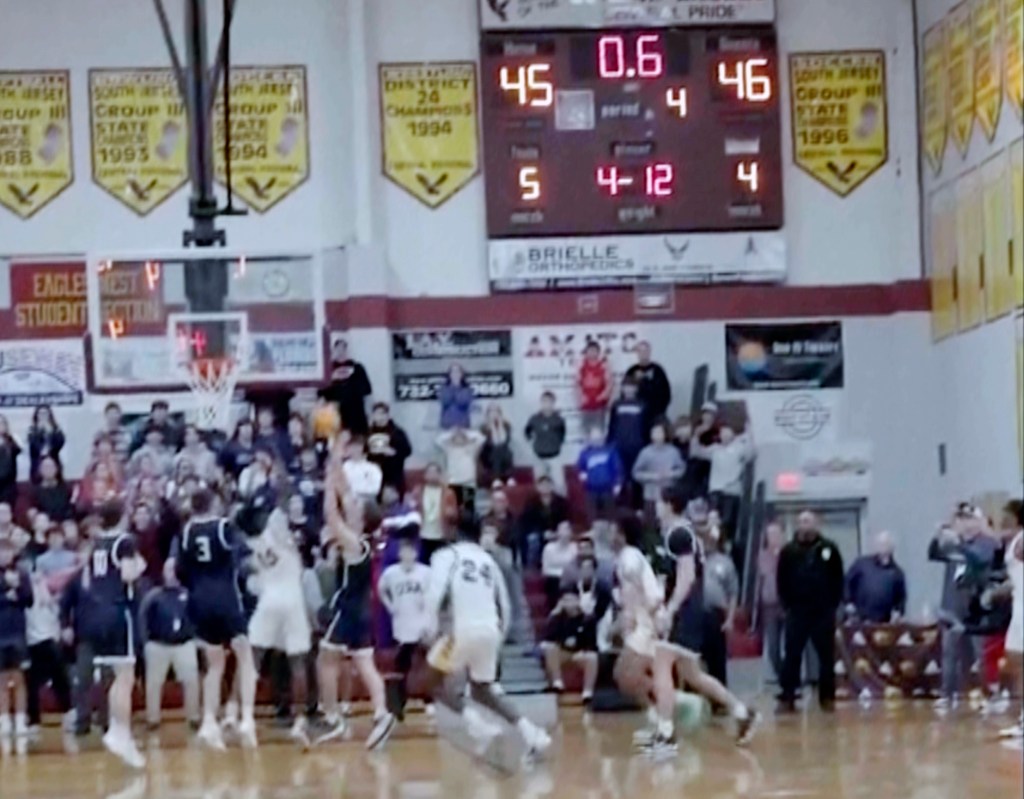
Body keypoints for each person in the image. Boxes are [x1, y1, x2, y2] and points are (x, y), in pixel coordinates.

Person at [424, 513, 551, 758]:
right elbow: (504, 602)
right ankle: (532, 733)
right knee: (482, 689)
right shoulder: (488, 560)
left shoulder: (445, 556)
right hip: (490, 629)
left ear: (454, 532)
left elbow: (435, 594)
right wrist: (499, 636)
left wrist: (430, 628)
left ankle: (478, 726)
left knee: (429, 682)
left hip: (460, 630)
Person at [647, 487, 759, 752]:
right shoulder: (677, 533)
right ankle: (742, 712)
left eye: (658, 502)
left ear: (668, 505)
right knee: (692, 674)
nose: (655, 507)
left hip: (686, 613)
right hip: (690, 611)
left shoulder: (679, 533)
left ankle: (665, 733)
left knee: (661, 666)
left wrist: (671, 610)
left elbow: (687, 577)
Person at [315, 453, 396, 749]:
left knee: (325, 659)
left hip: (348, 608)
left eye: (357, 507)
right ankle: (381, 713)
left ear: (361, 518)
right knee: (364, 662)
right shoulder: (364, 540)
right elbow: (347, 495)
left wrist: (327, 485)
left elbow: (331, 516)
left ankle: (332, 716)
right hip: (363, 609)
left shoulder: (353, 541)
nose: (352, 503)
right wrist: (335, 464)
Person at [174, 488, 258, 749]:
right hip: (226, 598)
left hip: (199, 599)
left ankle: (209, 722)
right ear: (212, 504)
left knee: (214, 665)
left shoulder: (186, 532)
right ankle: (246, 718)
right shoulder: (224, 527)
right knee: (245, 658)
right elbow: (245, 559)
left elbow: (180, 571)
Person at [83, 499, 148, 768]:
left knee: (115, 676)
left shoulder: (96, 544)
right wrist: (140, 565)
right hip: (118, 611)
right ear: (122, 515)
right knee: (126, 676)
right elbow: (129, 574)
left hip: (96, 611)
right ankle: (121, 733)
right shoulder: (125, 541)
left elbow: (88, 581)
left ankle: (117, 731)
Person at [247, 506, 314, 747]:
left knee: (252, 659)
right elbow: (300, 567)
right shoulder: (289, 543)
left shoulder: (257, 546)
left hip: (269, 600)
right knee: (298, 663)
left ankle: (243, 715)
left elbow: (254, 580)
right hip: (292, 600)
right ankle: (300, 719)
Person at [928, 504, 1000, 710]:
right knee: (949, 653)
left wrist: (958, 541)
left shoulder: (986, 544)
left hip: (975, 608)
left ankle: (990, 694)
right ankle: (947, 694)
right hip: (952, 607)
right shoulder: (953, 544)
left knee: (981, 653)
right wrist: (938, 534)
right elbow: (933, 554)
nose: (965, 524)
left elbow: (979, 558)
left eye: (969, 519)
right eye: (962, 519)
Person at [777, 510, 844, 713]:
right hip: (797, 611)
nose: (805, 525)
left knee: (826, 657)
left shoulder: (829, 549)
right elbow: (781, 580)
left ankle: (827, 698)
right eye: (802, 521)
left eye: (809, 521)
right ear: (798, 525)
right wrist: (787, 604)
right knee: (792, 655)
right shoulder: (788, 551)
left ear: (816, 524)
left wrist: (832, 605)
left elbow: (838, 578)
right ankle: (788, 697)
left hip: (822, 612)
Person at [139, 560, 200, 731]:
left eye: (174, 570)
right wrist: (146, 642)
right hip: (158, 645)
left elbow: (197, 616)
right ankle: (153, 719)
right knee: (153, 684)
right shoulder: (153, 596)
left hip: (184, 644)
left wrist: (194, 636)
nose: (171, 573)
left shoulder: (188, 594)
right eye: (168, 570)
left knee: (191, 681)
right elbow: (142, 619)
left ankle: (194, 717)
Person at [378, 533, 433, 720]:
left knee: (427, 665)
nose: (408, 555)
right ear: (400, 554)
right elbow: (381, 589)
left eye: (411, 552)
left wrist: (430, 620)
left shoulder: (426, 572)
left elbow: (434, 597)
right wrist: (390, 605)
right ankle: (397, 706)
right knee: (401, 668)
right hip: (402, 627)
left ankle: (430, 701)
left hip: (422, 626)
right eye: (404, 552)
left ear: (415, 554)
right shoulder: (391, 573)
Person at [690, 421, 755, 550]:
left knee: (727, 523)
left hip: (731, 492)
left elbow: (751, 454)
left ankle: (727, 546)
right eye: (722, 431)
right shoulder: (715, 449)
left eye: (727, 431)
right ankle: (714, 545)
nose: (724, 434)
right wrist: (697, 435)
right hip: (715, 491)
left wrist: (749, 434)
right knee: (713, 521)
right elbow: (696, 452)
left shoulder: (739, 448)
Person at [542, 588, 599, 704]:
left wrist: (583, 650)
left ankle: (587, 692)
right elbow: (548, 638)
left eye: (571, 600)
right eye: (565, 600)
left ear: (578, 601)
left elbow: (592, 643)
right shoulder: (557, 618)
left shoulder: (587, 619)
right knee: (549, 648)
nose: (569, 603)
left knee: (592, 657)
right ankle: (557, 683)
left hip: (580, 653)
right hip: (563, 652)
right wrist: (553, 615)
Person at [0, 537, 32, 740]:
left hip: (18, 634)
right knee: (1, 680)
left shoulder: (22, 574)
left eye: (7, 551)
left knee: (19, 678)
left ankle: (21, 720)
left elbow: (29, 599)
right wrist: (5, 595)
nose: (4, 555)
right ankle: (4, 721)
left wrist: (17, 590)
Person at [996, 500, 1023, 739]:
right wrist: (998, 590)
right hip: (1018, 607)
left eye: (1007, 514)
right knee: (1015, 665)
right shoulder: (1013, 540)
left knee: (1019, 664)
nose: (1002, 517)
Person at [701, 532, 739, 692]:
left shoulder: (725, 563)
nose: (708, 543)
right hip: (695, 614)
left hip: (716, 614)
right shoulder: (693, 561)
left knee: (717, 658)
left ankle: (720, 696)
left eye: (710, 540)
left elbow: (733, 593)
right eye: (704, 540)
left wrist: (729, 619)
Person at [844, 530, 907, 623]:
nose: (883, 547)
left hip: (882, 623)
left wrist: (898, 613)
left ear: (892, 547)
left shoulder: (897, 573)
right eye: (880, 544)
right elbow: (846, 583)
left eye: (886, 544)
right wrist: (848, 603)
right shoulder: (861, 564)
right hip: (857, 620)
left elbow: (900, 599)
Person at [632, 421, 685, 522]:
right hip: (650, 495)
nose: (658, 435)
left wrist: (671, 474)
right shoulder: (645, 452)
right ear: (651, 435)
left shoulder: (673, 452)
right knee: (651, 525)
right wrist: (652, 476)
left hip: (669, 495)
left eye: (660, 432)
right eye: (655, 433)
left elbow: (682, 469)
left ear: (664, 434)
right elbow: (635, 473)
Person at [517, 476, 570, 569]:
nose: (545, 487)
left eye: (548, 485)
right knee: (532, 539)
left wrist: (557, 532)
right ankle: (534, 567)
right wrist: (543, 533)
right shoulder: (531, 502)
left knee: (565, 534)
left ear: (552, 486)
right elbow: (527, 522)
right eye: (542, 485)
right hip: (538, 532)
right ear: (538, 487)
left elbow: (565, 519)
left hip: (557, 531)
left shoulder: (561, 502)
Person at [606, 380, 646, 505]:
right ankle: (619, 503)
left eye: (631, 387)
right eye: (626, 387)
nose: (628, 390)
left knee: (636, 476)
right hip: (619, 445)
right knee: (620, 475)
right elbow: (612, 425)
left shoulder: (642, 405)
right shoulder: (617, 404)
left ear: (636, 389)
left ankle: (637, 504)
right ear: (622, 389)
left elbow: (645, 426)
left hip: (636, 446)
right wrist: (609, 442)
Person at [411, 462, 459, 564]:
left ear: (440, 475)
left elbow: (455, 517)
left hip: (441, 536)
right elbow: (412, 511)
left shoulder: (448, 493)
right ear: (425, 475)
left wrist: (451, 514)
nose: (432, 475)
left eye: (435, 472)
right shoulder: (418, 491)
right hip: (422, 535)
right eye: (429, 472)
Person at [323, 338, 373, 435]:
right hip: (335, 413)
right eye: (338, 349)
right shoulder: (328, 369)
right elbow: (322, 393)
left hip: (356, 413)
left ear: (347, 350)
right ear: (334, 351)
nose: (341, 352)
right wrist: (333, 379)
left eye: (343, 348)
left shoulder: (357, 368)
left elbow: (367, 389)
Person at [757, 521, 785, 684]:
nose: (773, 538)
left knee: (791, 643)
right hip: (770, 605)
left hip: (788, 604)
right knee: (773, 645)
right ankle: (781, 674)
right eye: (770, 535)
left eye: (775, 534)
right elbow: (766, 574)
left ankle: (791, 674)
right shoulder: (762, 555)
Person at [576, 427, 623, 524]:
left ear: (603, 438)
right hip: (591, 489)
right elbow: (580, 467)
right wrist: (583, 476)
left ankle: (611, 532)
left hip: (608, 488)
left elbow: (617, 468)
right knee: (592, 516)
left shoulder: (610, 451)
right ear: (590, 439)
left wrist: (617, 483)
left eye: (598, 438)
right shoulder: (585, 453)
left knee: (610, 516)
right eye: (594, 438)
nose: (596, 441)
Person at [524, 392, 567, 493]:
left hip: (554, 457)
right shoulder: (534, 419)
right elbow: (527, 432)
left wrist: (556, 445)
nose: (546, 404)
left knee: (559, 485)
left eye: (549, 402)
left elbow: (562, 435)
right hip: (539, 457)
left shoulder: (559, 420)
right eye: (544, 402)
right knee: (539, 484)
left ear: (553, 403)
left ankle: (561, 507)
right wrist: (533, 443)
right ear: (541, 403)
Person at [366, 402, 412, 495]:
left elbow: (408, 450)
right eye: (377, 414)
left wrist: (394, 452)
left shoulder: (397, 432)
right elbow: (362, 451)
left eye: (383, 413)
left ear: (388, 415)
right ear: (373, 416)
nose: (380, 417)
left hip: (394, 474)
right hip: (372, 475)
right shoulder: (368, 433)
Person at [436, 426, 485, 511]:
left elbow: (481, 439)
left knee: (468, 509)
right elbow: (438, 440)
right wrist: (453, 431)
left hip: (469, 483)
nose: (459, 438)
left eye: (461, 437)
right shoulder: (449, 448)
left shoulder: (471, 448)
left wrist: (465, 431)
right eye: (456, 437)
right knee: (453, 508)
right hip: (453, 482)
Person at [624, 341, 672, 428]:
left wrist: (660, 411)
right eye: (641, 351)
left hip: (655, 415)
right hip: (636, 415)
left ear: (650, 352)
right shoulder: (631, 371)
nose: (643, 354)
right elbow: (625, 393)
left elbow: (666, 393)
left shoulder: (658, 370)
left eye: (645, 351)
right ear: (637, 353)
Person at [542, 522, 579, 610]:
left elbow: (576, 567)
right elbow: (545, 569)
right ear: (557, 532)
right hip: (554, 580)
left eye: (568, 529)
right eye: (563, 530)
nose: (565, 533)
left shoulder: (575, 548)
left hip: (570, 579)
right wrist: (562, 573)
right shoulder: (549, 548)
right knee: (555, 583)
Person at [577, 341, 612, 433]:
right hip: (586, 405)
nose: (592, 353)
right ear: (586, 352)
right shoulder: (581, 365)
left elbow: (609, 384)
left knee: (599, 432)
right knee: (585, 432)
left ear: (598, 352)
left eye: (594, 350)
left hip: (599, 405)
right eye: (590, 350)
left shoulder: (604, 365)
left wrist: (602, 396)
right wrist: (581, 397)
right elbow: (577, 383)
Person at [479, 404, 515, 487]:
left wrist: (500, 426)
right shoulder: (483, 427)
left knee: (502, 449)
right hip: (488, 454)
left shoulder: (506, 425)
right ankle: (497, 478)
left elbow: (505, 441)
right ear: (487, 414)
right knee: (497, 450)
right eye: (491, 411)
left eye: (496, 411)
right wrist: (492, 426)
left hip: (504, 453)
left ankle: (507, 479)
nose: (494, 413)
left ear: (500, 413)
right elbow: (491, 443)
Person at [30, 456, 73, 522]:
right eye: (46, 467)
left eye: (51, 466)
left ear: (57, 468)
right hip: (46, 523)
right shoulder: (35, 491)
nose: (49, 470)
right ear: (40, 470)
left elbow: (70, 510)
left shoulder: (66, 488)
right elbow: (32, 511)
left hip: (65, 522)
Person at [27, 405, 65, 481]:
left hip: (54, 466)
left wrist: (51, 433)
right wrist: (39, 432)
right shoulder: (32, 430)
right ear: (36, 416)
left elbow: (60, 444)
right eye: (40, 414)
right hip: (37, 466)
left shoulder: (56, 429)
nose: (43, 416)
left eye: (45, 413)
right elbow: (35, 446)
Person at [342, 435, 383, 501]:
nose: (348, 449)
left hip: (366, 501)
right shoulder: (344, 467)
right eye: (348, 446)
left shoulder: (372, 468)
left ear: (360, 447)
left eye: (352, 446)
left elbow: (375, 490)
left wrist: (355, 491)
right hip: (347, 500)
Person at [438, 363, 475, 431]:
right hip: (447, 426)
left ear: (461, 374)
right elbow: (445, 401)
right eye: (453, 371)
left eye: (457, 371)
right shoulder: (444, 389)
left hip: (463, 425)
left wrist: (457, 387)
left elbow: (462, 402)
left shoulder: (467, 389)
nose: (455, 373)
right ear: (449, 375)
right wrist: (452, 387)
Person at [0, 415, 22, 509]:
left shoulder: (11, 440)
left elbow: (19, 450)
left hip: (8, 486)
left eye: (1, 423)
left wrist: (9, 438)